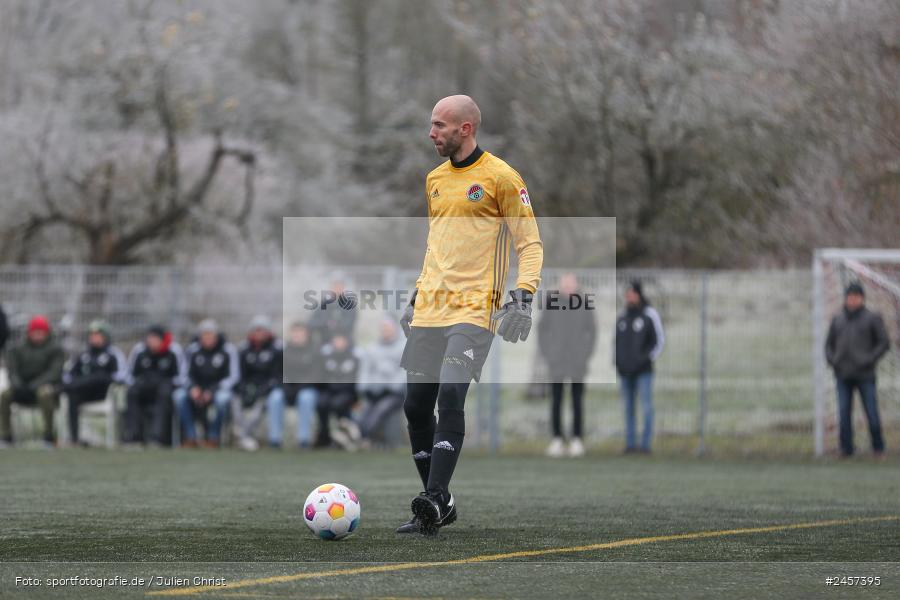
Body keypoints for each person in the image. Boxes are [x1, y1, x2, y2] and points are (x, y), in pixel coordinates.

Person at [398, 95, 543, 535]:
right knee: (415, 406)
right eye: (431, 124)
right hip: (431, 307)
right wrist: (416, 296)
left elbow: (530, 244)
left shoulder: (501, 177)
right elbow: (436, 245)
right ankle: (437, 504)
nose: (431, 133)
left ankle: (436, 497)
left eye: (440, 125)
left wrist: (523, 296)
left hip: (475, 308)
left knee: (449, 398)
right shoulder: (435, 180)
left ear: (465, 128)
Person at [825, 282, 891, 456]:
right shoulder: (838, 319)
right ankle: (846, 449)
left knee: (871, 411)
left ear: (862, 298)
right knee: (843, 412)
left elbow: (884, 343)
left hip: (865, 374)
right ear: (845, 298)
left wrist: (869, 359)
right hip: (843, 374)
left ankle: (878, 448)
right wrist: (833, 360)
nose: (852, 300)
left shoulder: (872, 318)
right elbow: (828, 345)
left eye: (856, 296)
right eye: (849, 296)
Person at [538, 273, 597, 458]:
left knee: (577, 401)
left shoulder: (584, 303)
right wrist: (548, 354)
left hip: (577, 362)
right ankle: (557, 439)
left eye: (571, 283)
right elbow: (542, 330)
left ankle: (577, 439)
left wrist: (584, 354)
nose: (568, 286)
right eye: (565, 283)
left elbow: (592, 331)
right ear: (560, 285)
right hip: (557, 362)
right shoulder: (551, 302)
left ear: (576, 285)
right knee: (556, 400)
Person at [615, 281, 665, 454]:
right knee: (628, 408)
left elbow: (659, 341)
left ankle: (645, 445)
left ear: (638, 294)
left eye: (631, 293)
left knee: (646, 407)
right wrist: (618, 362)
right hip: (625, 372)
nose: (629, 297)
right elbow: (617, 342)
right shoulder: (622, 315)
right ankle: (630, 444)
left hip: (644, 371)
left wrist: (645, 359)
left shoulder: (649, 314)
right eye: (626, 293)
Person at [0, 315, 65, 447]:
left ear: (47, 333)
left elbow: (54, 373)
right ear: (29, 333)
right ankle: (6, 436)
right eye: (35, 332)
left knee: (44, 394)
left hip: (44, 386)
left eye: (41, 332)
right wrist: (18, 385)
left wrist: (34, 385)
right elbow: (12, 371)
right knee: (4, 396)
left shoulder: (56, 349)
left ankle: (48, 436)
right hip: (22, 387)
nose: (38, 335)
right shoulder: (18, 349)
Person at [175, 319, 240, 448]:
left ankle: (213, 437)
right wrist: (192, 388)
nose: (207, 338)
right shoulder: (192, 350)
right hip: (197, 389)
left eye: (210, 335)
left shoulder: (228, 350)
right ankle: (190, 436)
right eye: (204, 335)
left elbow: (234, 377)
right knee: (179, 396)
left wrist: (213, 390)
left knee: (222, 399)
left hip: (219, 389)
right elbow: (184, 375)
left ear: (216, 336)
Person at [62, 319, 127, 446]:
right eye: (92, 335)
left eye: (98, 335)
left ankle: (63, 388)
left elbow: (120, 376)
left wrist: (100, 378)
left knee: (97, 377)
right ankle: (74, 439)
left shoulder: (113, 354)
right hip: (83, 392)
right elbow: (69, 374)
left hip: (102, 393)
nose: (94, 338)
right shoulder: (84, 354)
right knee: (73, 395)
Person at [124, 324, 185, 446]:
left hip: (165, 388)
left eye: (155, 339)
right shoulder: (139, 350)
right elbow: (129, 375)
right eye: (150, 338)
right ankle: (133, 436)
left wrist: (166, 383)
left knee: (164, 393)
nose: (152, 341)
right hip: (144, 387)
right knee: (132, 392)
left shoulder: (174, 350)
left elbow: (181, 377)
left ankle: (157, 438)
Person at [234, 315, 284, 451]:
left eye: (262, 330)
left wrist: (264, 389)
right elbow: (240, 374)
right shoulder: (243, 349)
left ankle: (246, 436)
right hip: (249, 387)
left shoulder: (278, 349)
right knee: (236, 401)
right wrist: (245, 389)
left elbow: (279, 375)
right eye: (256, 330)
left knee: (261, 405)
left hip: (268, 388)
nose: (258, 334)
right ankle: (243, 435)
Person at [357, 317, 406, 446]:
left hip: (394, 394)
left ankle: (364, 437)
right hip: (374, 393)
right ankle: (363, 437)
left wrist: (389, 387)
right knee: (364, 412)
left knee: (380, 410)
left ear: (395, 330)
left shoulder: (403, 347)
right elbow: (365, 371)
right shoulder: (372, 348)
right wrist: (364, 388)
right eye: (383, 328)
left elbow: (403, 372)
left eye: (388, 328)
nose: (386, 331)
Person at [315, 333, 360, 450]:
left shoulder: (353, 358)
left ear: (346, 342)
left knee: (337, 404)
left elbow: (353, 381)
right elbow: (321, 378)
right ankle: (324, 436)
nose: (338, 343)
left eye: (341, 340)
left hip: (346, 392)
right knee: (321, 403)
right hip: (329, 391)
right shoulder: (326, 358)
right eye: (336, 340)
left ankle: (343, 438)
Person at [282, 322, 321, 449]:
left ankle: (303, 439)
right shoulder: (285, 350)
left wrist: (300, 386)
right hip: (289, 389)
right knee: (275, 397)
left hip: (307, 389)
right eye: (295, 333)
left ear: (306, 334)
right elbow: (280, 373)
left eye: (300, 333)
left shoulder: (314, 350)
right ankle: (275, 439)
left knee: (305, 397)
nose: (297, 335)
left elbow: (316, 375)